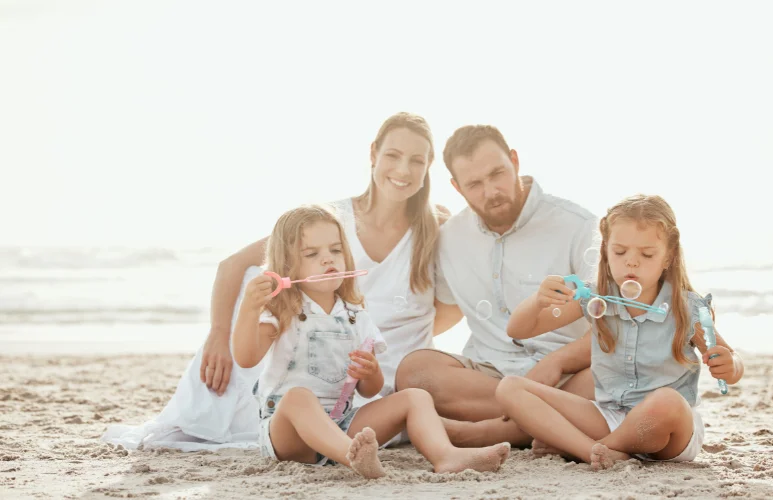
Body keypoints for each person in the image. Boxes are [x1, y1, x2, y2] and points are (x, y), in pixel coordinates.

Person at [101, 112, 455, 450]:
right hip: (321, 364)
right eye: (393, 155)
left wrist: (381, 335)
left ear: (428, 166)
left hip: (376, 371)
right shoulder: (329, 221)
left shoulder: (435, 226)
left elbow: (453, 306)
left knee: (415, 410)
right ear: (373, 153)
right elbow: (232, 265)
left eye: (417, 160)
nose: (403, 170)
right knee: (261, 278)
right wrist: (219, 335)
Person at [236, 203, 510, 477]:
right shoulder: (282, 311)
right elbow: (246, 358)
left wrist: (371, 372)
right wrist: (249, 309)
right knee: (298, 398)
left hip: (342, 424)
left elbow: (369, 390)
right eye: (311, 254)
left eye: (336, 250)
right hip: (290, 435)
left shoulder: (356, 316)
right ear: (286, 265)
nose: (328, 260)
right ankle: (352, 456)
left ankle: (446, 455)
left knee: (415, 397)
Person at [497, 194, 746, 469]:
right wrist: (538, 301)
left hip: (666, 430)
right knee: (510, 387)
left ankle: (593, 446)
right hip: (608, 416)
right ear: (605, 250)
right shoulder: (595, 297)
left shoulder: (686, 308)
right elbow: (518, 329)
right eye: (620, 252)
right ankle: (593, 451)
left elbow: (732, 364)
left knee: (666, 401)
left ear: (668, 256)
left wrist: (729, 365)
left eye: (646, 254)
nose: (631, 262)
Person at [395, 124, 598, 447]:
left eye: (497, 174)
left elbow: (611, 323)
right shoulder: (449, 238)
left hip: (564, 376)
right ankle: (539, 424)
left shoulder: (579, 226)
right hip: (490, 375)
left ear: (515, 161)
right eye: (474, 184)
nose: (491, 192)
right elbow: (443, 311)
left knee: (608, 377)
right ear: (456, 187)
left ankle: (487, 432)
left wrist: (557, 361)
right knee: (415, 372)